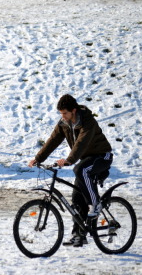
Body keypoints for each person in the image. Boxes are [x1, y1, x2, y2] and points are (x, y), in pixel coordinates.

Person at [28, 94, 113, 247]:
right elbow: (53, 140)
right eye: (61, 114)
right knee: (77, 198)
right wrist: (38, 158)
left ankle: (96, 204)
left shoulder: (88, 121)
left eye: (65, 113)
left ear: (73, 110)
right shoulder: (64, 123)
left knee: (80, 170)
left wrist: (69, 160)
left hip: (102, 156)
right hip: (86, 159)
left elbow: (82, 142)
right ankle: (79, 235)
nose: (63, 117)